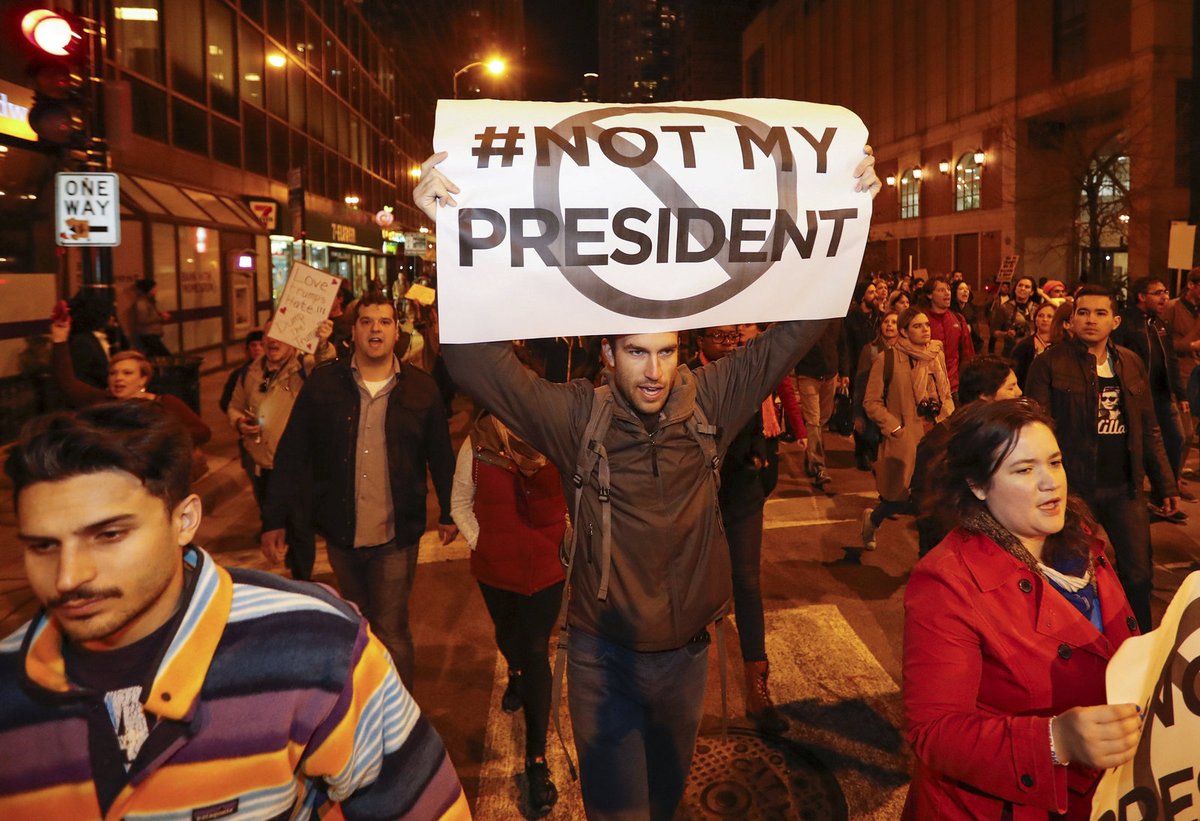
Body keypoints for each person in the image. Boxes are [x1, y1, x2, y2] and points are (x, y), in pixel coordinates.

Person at [415, 147, 880, 819]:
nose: (654, 371)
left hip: (689, 660)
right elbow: (471, 358)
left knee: (665, 806)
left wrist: (852, 213)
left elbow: (800, 327)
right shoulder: (579, 415)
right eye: (636, 351)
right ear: (608, 355)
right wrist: (452, 237)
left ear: (683, 353)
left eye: (665, 351)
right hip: (604, 661)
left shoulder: (713, 400)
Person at [0, 401, 468, 818]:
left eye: (109, 535)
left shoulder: (313, 646)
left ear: (184, 521)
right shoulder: (8, 686)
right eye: (43, 546)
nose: (67, 577)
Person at [903, 399, 1142, 819]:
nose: (1051, 483)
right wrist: (1055, 740)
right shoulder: (946, 580)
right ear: (978, 485)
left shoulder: (1082, 539)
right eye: (1024, 470)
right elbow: (935, 733)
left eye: (1054, 462)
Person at [262, 291, 459, 689]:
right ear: (353, 332)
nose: (375, 329)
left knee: (392, 627)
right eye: (367, 321)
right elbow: (293, 451)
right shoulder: (324, 383)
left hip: (395, 535)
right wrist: (273, 517)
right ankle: (367, 699)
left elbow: (440, 455)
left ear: (396, 333)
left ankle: (401, 715)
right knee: (358, 623)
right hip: (341, 532)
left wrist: (451, 512)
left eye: (384, 322)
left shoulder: (421, 389)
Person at [1025, 285, 1180, 631]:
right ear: (1071, 320)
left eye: (1099, 313)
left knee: (1139, 575)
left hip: (1124, 487)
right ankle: (1075, 650)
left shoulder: (1130, 363)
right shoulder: (1048, 364)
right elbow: (1036, 430)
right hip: (1074, 489)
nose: (1090, 320)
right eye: (1082, 312)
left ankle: (1139, 648)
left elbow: (1149, 427)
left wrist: (1164, 483)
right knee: (1071, 575)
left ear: (1115, 321)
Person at [451, 405, 566, 816]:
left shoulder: (553, 434)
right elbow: (459, 503)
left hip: (548, 570)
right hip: (495, 572)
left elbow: (578, 489)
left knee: (535, 649)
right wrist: (483, 543)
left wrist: (566, 535)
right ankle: (514, 672)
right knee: (509, 638)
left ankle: (536, 761)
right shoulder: (477, 443)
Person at [689, 326, 801, 734]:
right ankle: (683, 687)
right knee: (694, 584)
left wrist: (757, 456)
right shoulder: (684, 378)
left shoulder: (744, 374)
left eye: (733, 337)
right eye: (719, 338)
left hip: (742, 493)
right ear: (699, 342)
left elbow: (758, 425)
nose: (729, 345)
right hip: (696, 500)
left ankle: (758, 685)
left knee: (748, 584)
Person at [227, 317, 334, 580]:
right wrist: (240, 422)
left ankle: (301, 577)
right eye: (269, 335)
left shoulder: (304, 368)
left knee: (300, 526)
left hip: (297, 467)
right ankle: (292, 563)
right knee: (274, 517)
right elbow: (234, 406)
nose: (273, 341)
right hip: (262, 464)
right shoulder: (250, 372)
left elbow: (326, 364)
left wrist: (323, 343)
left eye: (281, 334)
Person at [860, 308, 954, 550]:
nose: (925, 330)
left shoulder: (936, 355)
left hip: (937, 434)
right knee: (898, 498)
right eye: (917, 326)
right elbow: (871, 402)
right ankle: (872, 520)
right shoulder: (888, 358)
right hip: (907, 436)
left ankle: (931, 557)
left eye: (926, 325)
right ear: (903, 330)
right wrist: (894, 427)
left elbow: (945, 394)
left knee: (932, 499)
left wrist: (950, 421)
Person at [912, 355, 1022, 555]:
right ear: (984, 395)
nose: (1019, 392)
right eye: (1011, 387)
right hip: (956, 552)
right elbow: (926, 503)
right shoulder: (942, 440)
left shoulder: (1006, 433)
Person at [49, 316, 210, 448]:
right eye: (113, 373)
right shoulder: (103, 401)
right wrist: (59, 339)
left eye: (127, 373)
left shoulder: (164, 404)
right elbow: (67, 383)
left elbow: (202, 432)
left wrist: (156, 439)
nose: (118, 378)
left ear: (143, 378)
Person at [1113, 276, 1192, 504]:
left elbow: (1171, 360)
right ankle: (1145, 495)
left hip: (1163, 394)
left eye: (1165, 292)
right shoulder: (1127, 321)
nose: (1164, 297)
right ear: (1141, 297)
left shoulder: (1159, 324)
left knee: (1177, 438)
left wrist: (1181, 393)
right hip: (1138, 395)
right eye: (1158, 293)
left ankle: (1168, 488)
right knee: (1141, 443)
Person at [794, 318, 849, 491]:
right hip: (808, 373)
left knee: (822, 419)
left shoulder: (836, 318)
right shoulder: (804, 315)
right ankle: (819, 467)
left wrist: (844, 371)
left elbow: (842, 344)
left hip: (830, 373)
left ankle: (811, 454)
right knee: (813, 421)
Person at [1162, 265, 1200, 477]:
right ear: (1191, 285)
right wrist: (1192, 346)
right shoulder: (1173, 308)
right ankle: (1171, 480)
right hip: (1180, 376)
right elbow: (1163, 344)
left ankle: (1176, 478)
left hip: (1196, 374)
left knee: (1191, 432)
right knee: (1182, 433)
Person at [851, 309, 900, 470]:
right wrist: (857, 414)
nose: (890, 326)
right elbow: (861, 383)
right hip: (873, 404)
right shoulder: (871, 350)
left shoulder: (903, 351)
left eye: (894, 322)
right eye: (886, 322)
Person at [844, 280, 881, 471]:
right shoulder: (852, 318)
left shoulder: (878, 316)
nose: (875, 295)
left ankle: (873, 448)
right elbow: (847, 345)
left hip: (877, 368)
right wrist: (847, 371)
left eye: (875, 291)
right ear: (861, 295)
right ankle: (862, 450)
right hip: (858, 369)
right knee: (860, 408)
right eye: (870, 292)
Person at [926, 277, 975, 396]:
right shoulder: (922, 319)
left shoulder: (958, 319)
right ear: (929, 295)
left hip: (953, 387)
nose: (947, 293)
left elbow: (968, 354)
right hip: (927, 387)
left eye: (948, 289)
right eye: (941, 290)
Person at [1011, 301, 1058, 389]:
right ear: (1035, 319)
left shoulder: (1061, 345)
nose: (1044, 319)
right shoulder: (1024, 346)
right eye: (1040, 316)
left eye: (1049, 316)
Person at [218, 330, 266, 414]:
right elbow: (225, 402)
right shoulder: (239, 373)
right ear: (248, 349)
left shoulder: (272, 371)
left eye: (261, 345)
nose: (257, 349)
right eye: (253, 345)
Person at [991, 275, 1039, 356]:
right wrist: (1006, 333)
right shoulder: (1004, 308)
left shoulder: (1037, 308)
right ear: (1015, 289)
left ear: (1032, 292)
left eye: (1027, 287)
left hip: (1032, 352)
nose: (1022, 288)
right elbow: (994, 331)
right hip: (1011, 353)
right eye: (1020, 285)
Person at [131, 278, 171, 357]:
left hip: (152, 333)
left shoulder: (149, 301)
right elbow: (142, 319)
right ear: (148, 289)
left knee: (152, 356)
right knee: (165, 355)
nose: (156, 290)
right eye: (154, 288)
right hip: (148, 334)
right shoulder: (141, 303)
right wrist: (160, 318)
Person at [953, 280, 984, 352]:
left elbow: (977, 333)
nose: (965, 291)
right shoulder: (950, 310)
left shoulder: (972, 309)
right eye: (961, 289)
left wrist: (971, 328)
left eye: (967, 289)